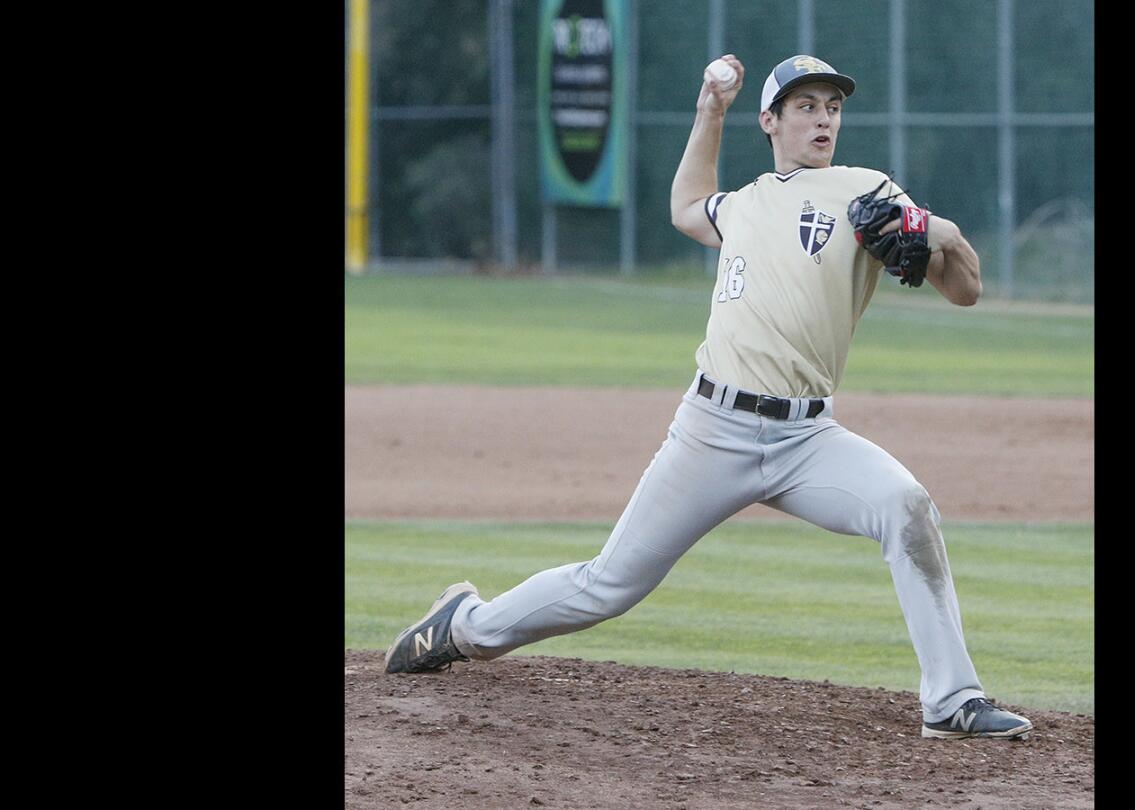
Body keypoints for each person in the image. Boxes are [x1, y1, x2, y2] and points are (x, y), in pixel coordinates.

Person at [384, 54, 1032, 741]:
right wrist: (709, 111)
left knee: (906, 508)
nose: (823, 118)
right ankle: (464, 627)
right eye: (806, 105)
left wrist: (943, 235)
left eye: (832, 107)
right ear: (771, 121)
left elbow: (964, 289)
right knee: (609, 584)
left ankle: (951, 701)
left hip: (808, 441)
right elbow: (687, 206)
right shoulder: (746, 204)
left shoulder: (867, 192)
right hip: (711, 430)